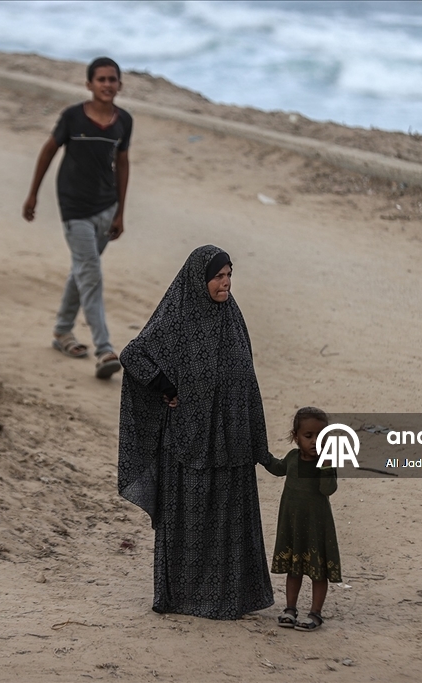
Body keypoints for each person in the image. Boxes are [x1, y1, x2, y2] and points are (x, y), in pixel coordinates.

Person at [117, 245, 277, 620]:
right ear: (199, 280)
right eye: (218, 277)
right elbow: (133, 354)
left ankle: (229, 598)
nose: (226, 283)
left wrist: (254, 437)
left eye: (229, 275)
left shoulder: (232, 317)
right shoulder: (177, 317)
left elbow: (247, 379)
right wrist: (165, 387)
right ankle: (184, 597)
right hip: (188, 442)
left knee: (227, 520)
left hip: (231, 441)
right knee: (190, 519)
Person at [22, 56, 132, 379]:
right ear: (89, 85)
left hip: (106, 208)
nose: (107, 85)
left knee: (83, 271)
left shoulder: (123, 121)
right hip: (74, 209)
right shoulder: (72, 117)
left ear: (120, 85)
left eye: (113, 80)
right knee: (91, 274)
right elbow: (48, 150)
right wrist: (33, 194)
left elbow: (123, 163)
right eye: (101, 80)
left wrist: (121, 211)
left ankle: (61, 331)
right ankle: (105, 350)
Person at [267, 407, 341, 632]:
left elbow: (328, 489)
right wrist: (260, 455)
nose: (315, 441)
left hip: (317, 527)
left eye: (321, 436)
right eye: (308, 436)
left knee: (318, 571)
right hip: (293, 524)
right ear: (295, 436)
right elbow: (277, 468)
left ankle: (315, 614)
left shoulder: (325, 462)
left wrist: (327, 464)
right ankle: (290, 609)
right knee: (294, 569)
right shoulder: (291, 459)